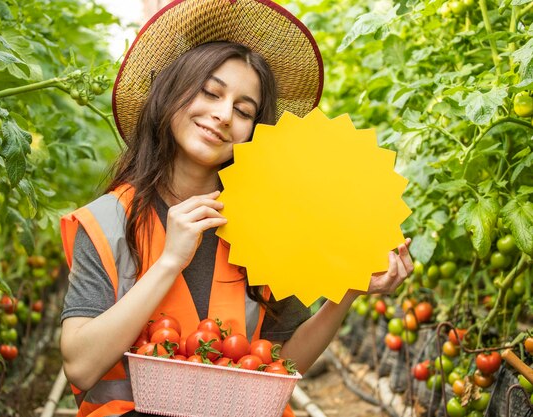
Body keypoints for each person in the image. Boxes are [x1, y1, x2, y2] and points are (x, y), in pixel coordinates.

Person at [59, 1, 414, 417]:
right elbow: (80, 367)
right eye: (210, 92)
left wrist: (349, 291)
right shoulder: (108, 221)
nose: (223, 115)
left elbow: (282, 365)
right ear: (171, 91)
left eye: (244, 110)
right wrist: (170, 260)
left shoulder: (269, 224)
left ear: (254, 133)